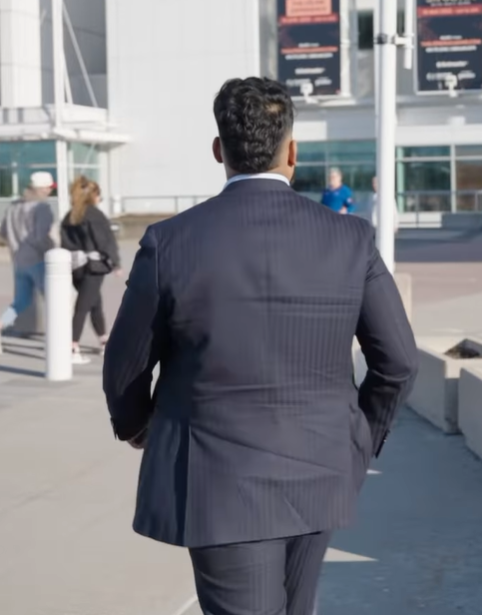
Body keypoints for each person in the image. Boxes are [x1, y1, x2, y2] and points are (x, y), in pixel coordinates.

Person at [103, 77, 418, 615]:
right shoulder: (351, 239)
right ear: (292, 152)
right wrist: (357, 441)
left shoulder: (170, 242)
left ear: (218, 150)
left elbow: (125, 366)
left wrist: (138, 427)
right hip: (321, 468)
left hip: (219, 482)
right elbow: (400, 363)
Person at [61, 176, 120, 365]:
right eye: (99, 195)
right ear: (93, 196)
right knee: (83, 306)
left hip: (76, 267)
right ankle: (72, 346)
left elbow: (65, 242)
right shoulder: (95, 215)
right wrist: (115, 263)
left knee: (94, 303)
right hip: (93, 267)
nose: (99, 198)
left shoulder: (70, 215)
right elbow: (105, 240)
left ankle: (104, 340)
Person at [0, 172, 55, 347]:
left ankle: (2, 324)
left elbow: (3, 232)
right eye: (49, 188)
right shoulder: (42, 208)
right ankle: (59, 337)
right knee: (54, 298)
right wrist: (53, 250)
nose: (50, 192)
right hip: (38, 260)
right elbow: (40, 237)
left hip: (18, 260)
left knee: (21, 301)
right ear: (42, 189)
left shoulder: (13, 207)